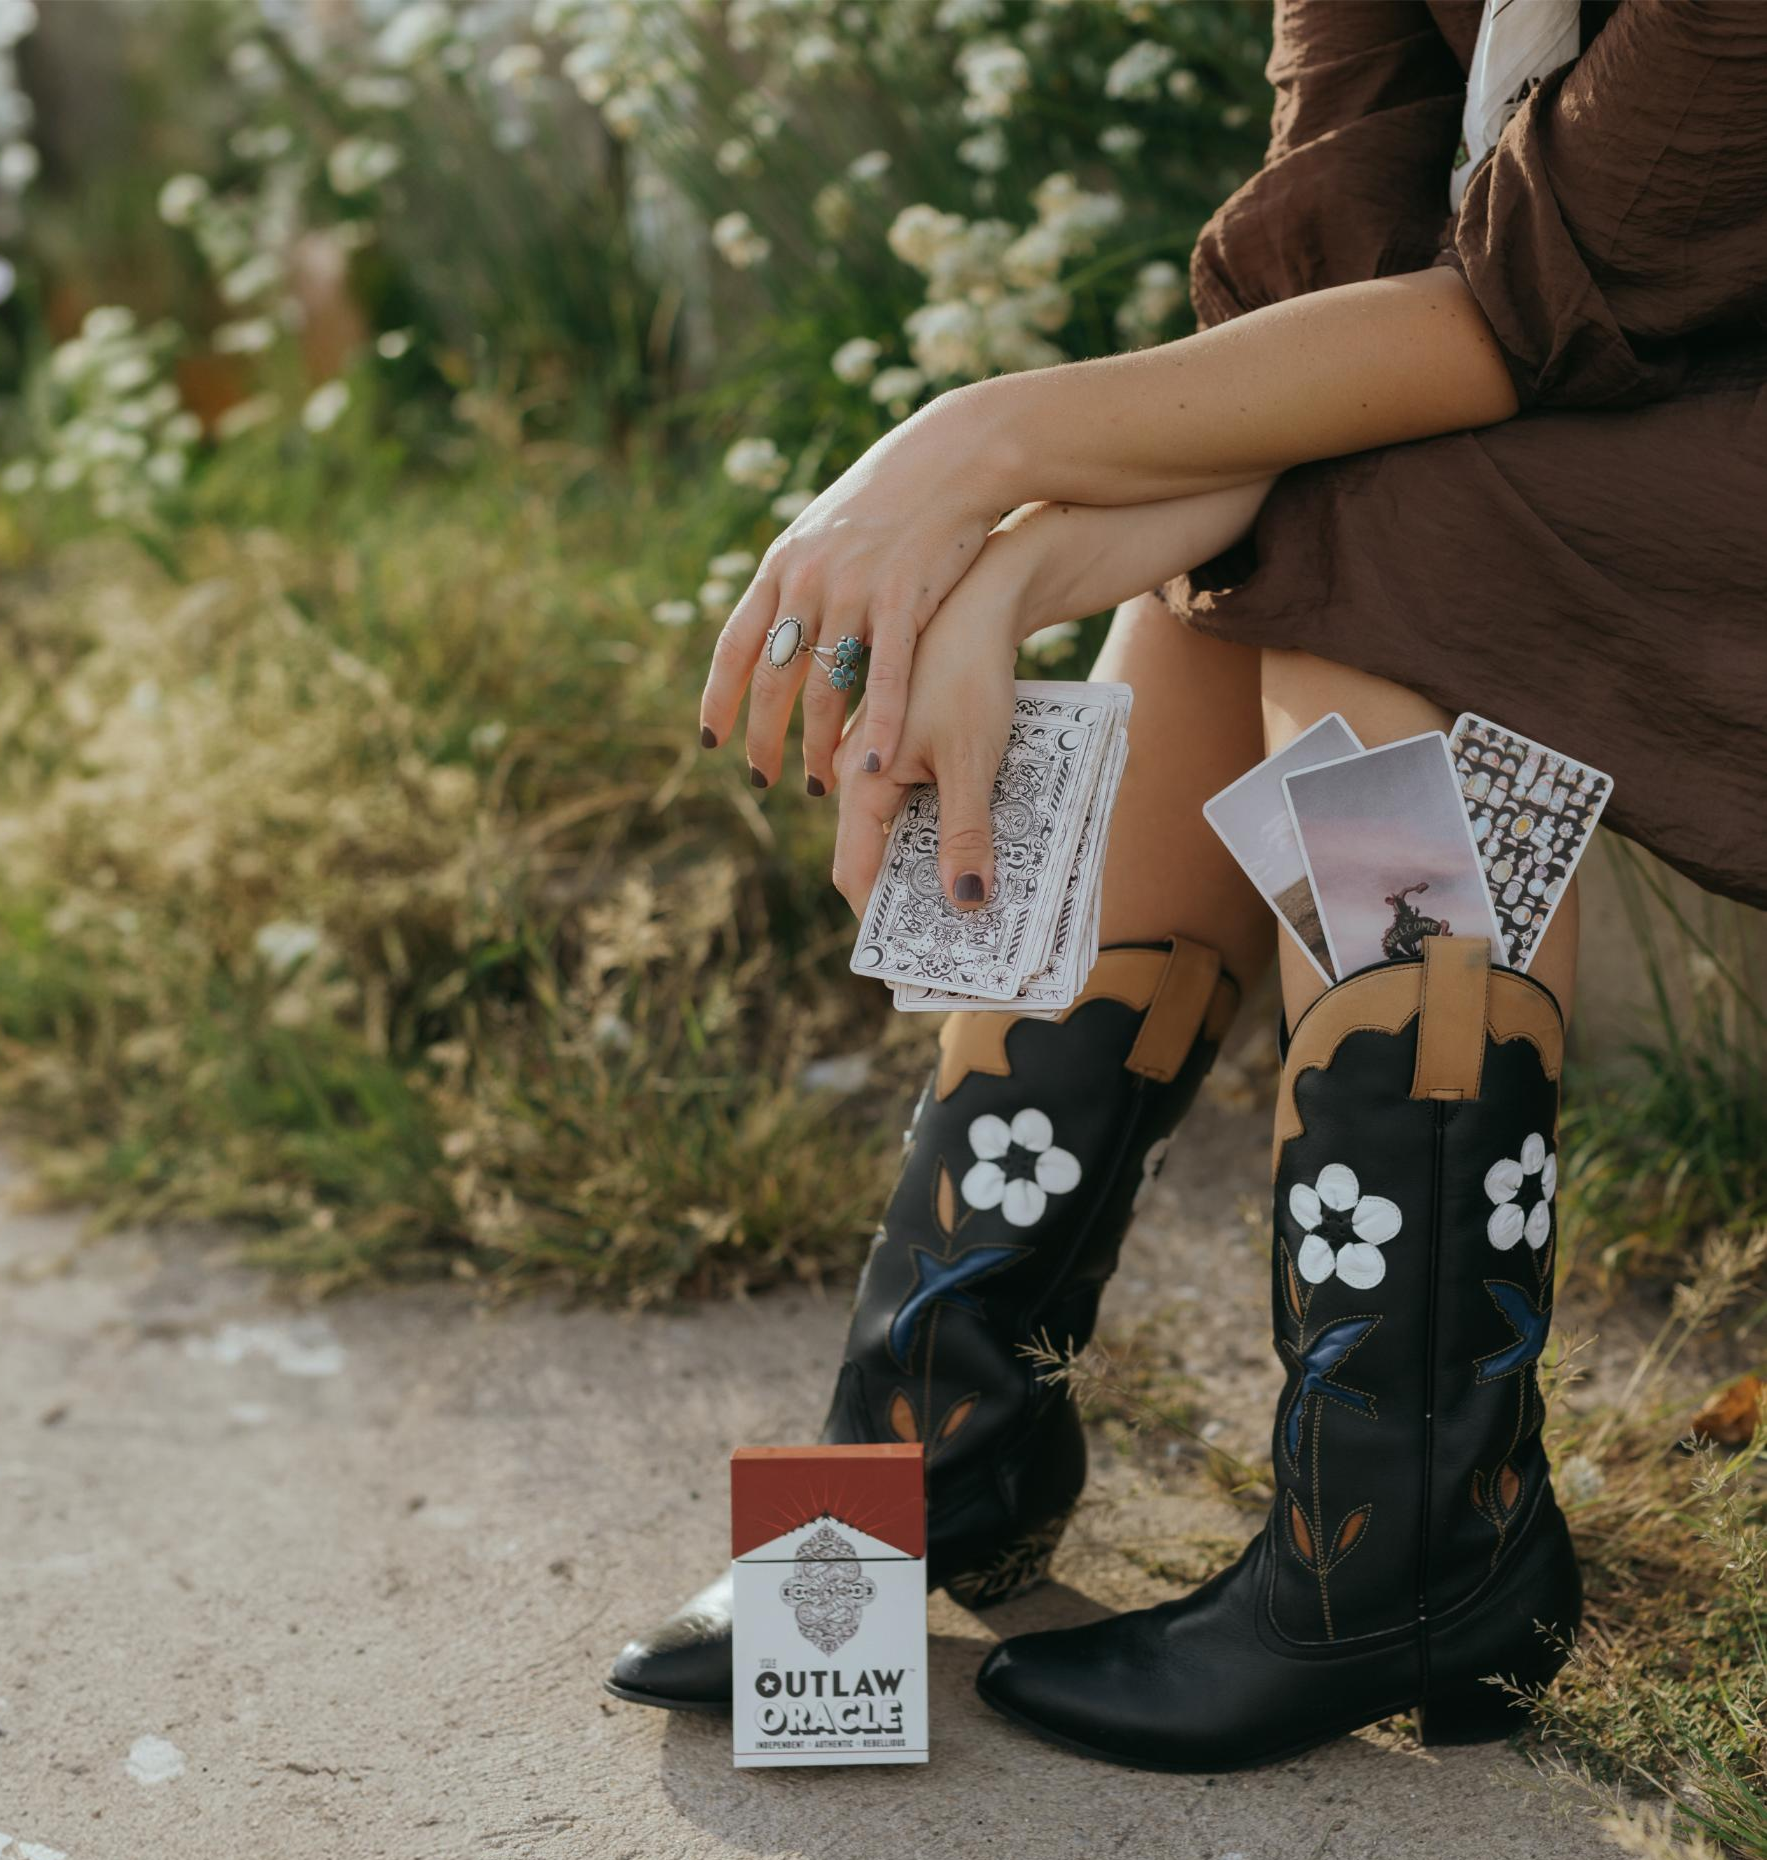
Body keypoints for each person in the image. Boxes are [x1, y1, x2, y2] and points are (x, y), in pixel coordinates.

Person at [605, 0, 1767, 1770]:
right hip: (1572, 401)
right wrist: (1031, 562)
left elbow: (1534, 299)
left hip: (1683, 421)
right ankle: (940, 1426)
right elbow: (1340, 276)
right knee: (1300, 525)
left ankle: (1404, 1532)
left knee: (1382, 545)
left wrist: (984, 457)